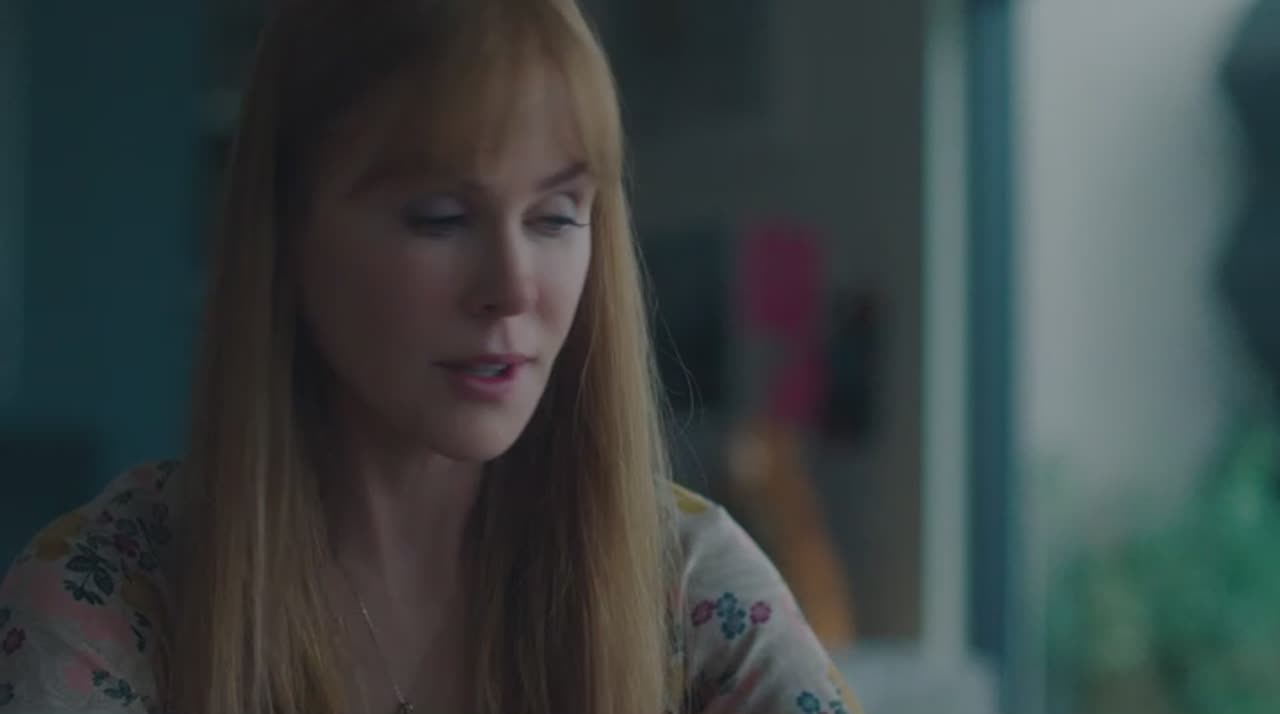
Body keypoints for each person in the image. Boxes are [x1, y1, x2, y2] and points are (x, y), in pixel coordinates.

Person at [0, 1, 861, 712]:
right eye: (441, 218)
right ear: (288, 234)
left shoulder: (692, 592)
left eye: (556, 215)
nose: (512, 287)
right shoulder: (108, 596)